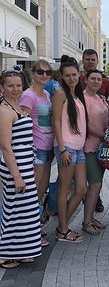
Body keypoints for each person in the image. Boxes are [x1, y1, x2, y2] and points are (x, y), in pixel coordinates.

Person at [0, 70, 42, 269]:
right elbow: (5, 146)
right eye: (10, 85)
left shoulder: (16, 106)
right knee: (13, 209)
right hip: (14, 166)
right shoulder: (4, 111)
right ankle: (4, 253)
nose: (15, 89)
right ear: (2, 88)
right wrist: (16, 176)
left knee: (26, 210)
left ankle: (22, 250)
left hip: (25, 164)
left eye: (18, 85)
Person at [53, 56, 88, 243]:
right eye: (67, 75)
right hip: (66, 147)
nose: (71, 78)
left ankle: (62, 225)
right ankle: (63, 229)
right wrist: (61, 149)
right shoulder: (60, 94)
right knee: (64, 188)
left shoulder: (77, 94)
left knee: (82, 188)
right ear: (62, 77)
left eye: (74, 74)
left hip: (79, 148)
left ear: (79, 74)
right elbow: (56, 122)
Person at [20, 60, 55, 247]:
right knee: (34, 191)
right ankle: (28, 231)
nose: (44, 75)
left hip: (47, 147)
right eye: (40, 72)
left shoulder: (47, 94)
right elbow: (22, 124)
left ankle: (34, 228)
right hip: (36, 148)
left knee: (41, 190)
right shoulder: (28, 96)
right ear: (33, 73)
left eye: (48, 72)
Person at [80, 48, 109, 214]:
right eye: (93, 78)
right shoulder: (81, 99)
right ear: (86, 80)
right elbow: (84, 123)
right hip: (90, 146)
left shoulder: (101, 98)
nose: (96, 81)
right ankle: (87, 220)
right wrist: (103, 135)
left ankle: (90, 218)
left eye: (99, 79)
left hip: (102, 147)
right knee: (95, 183)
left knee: (97, 183)